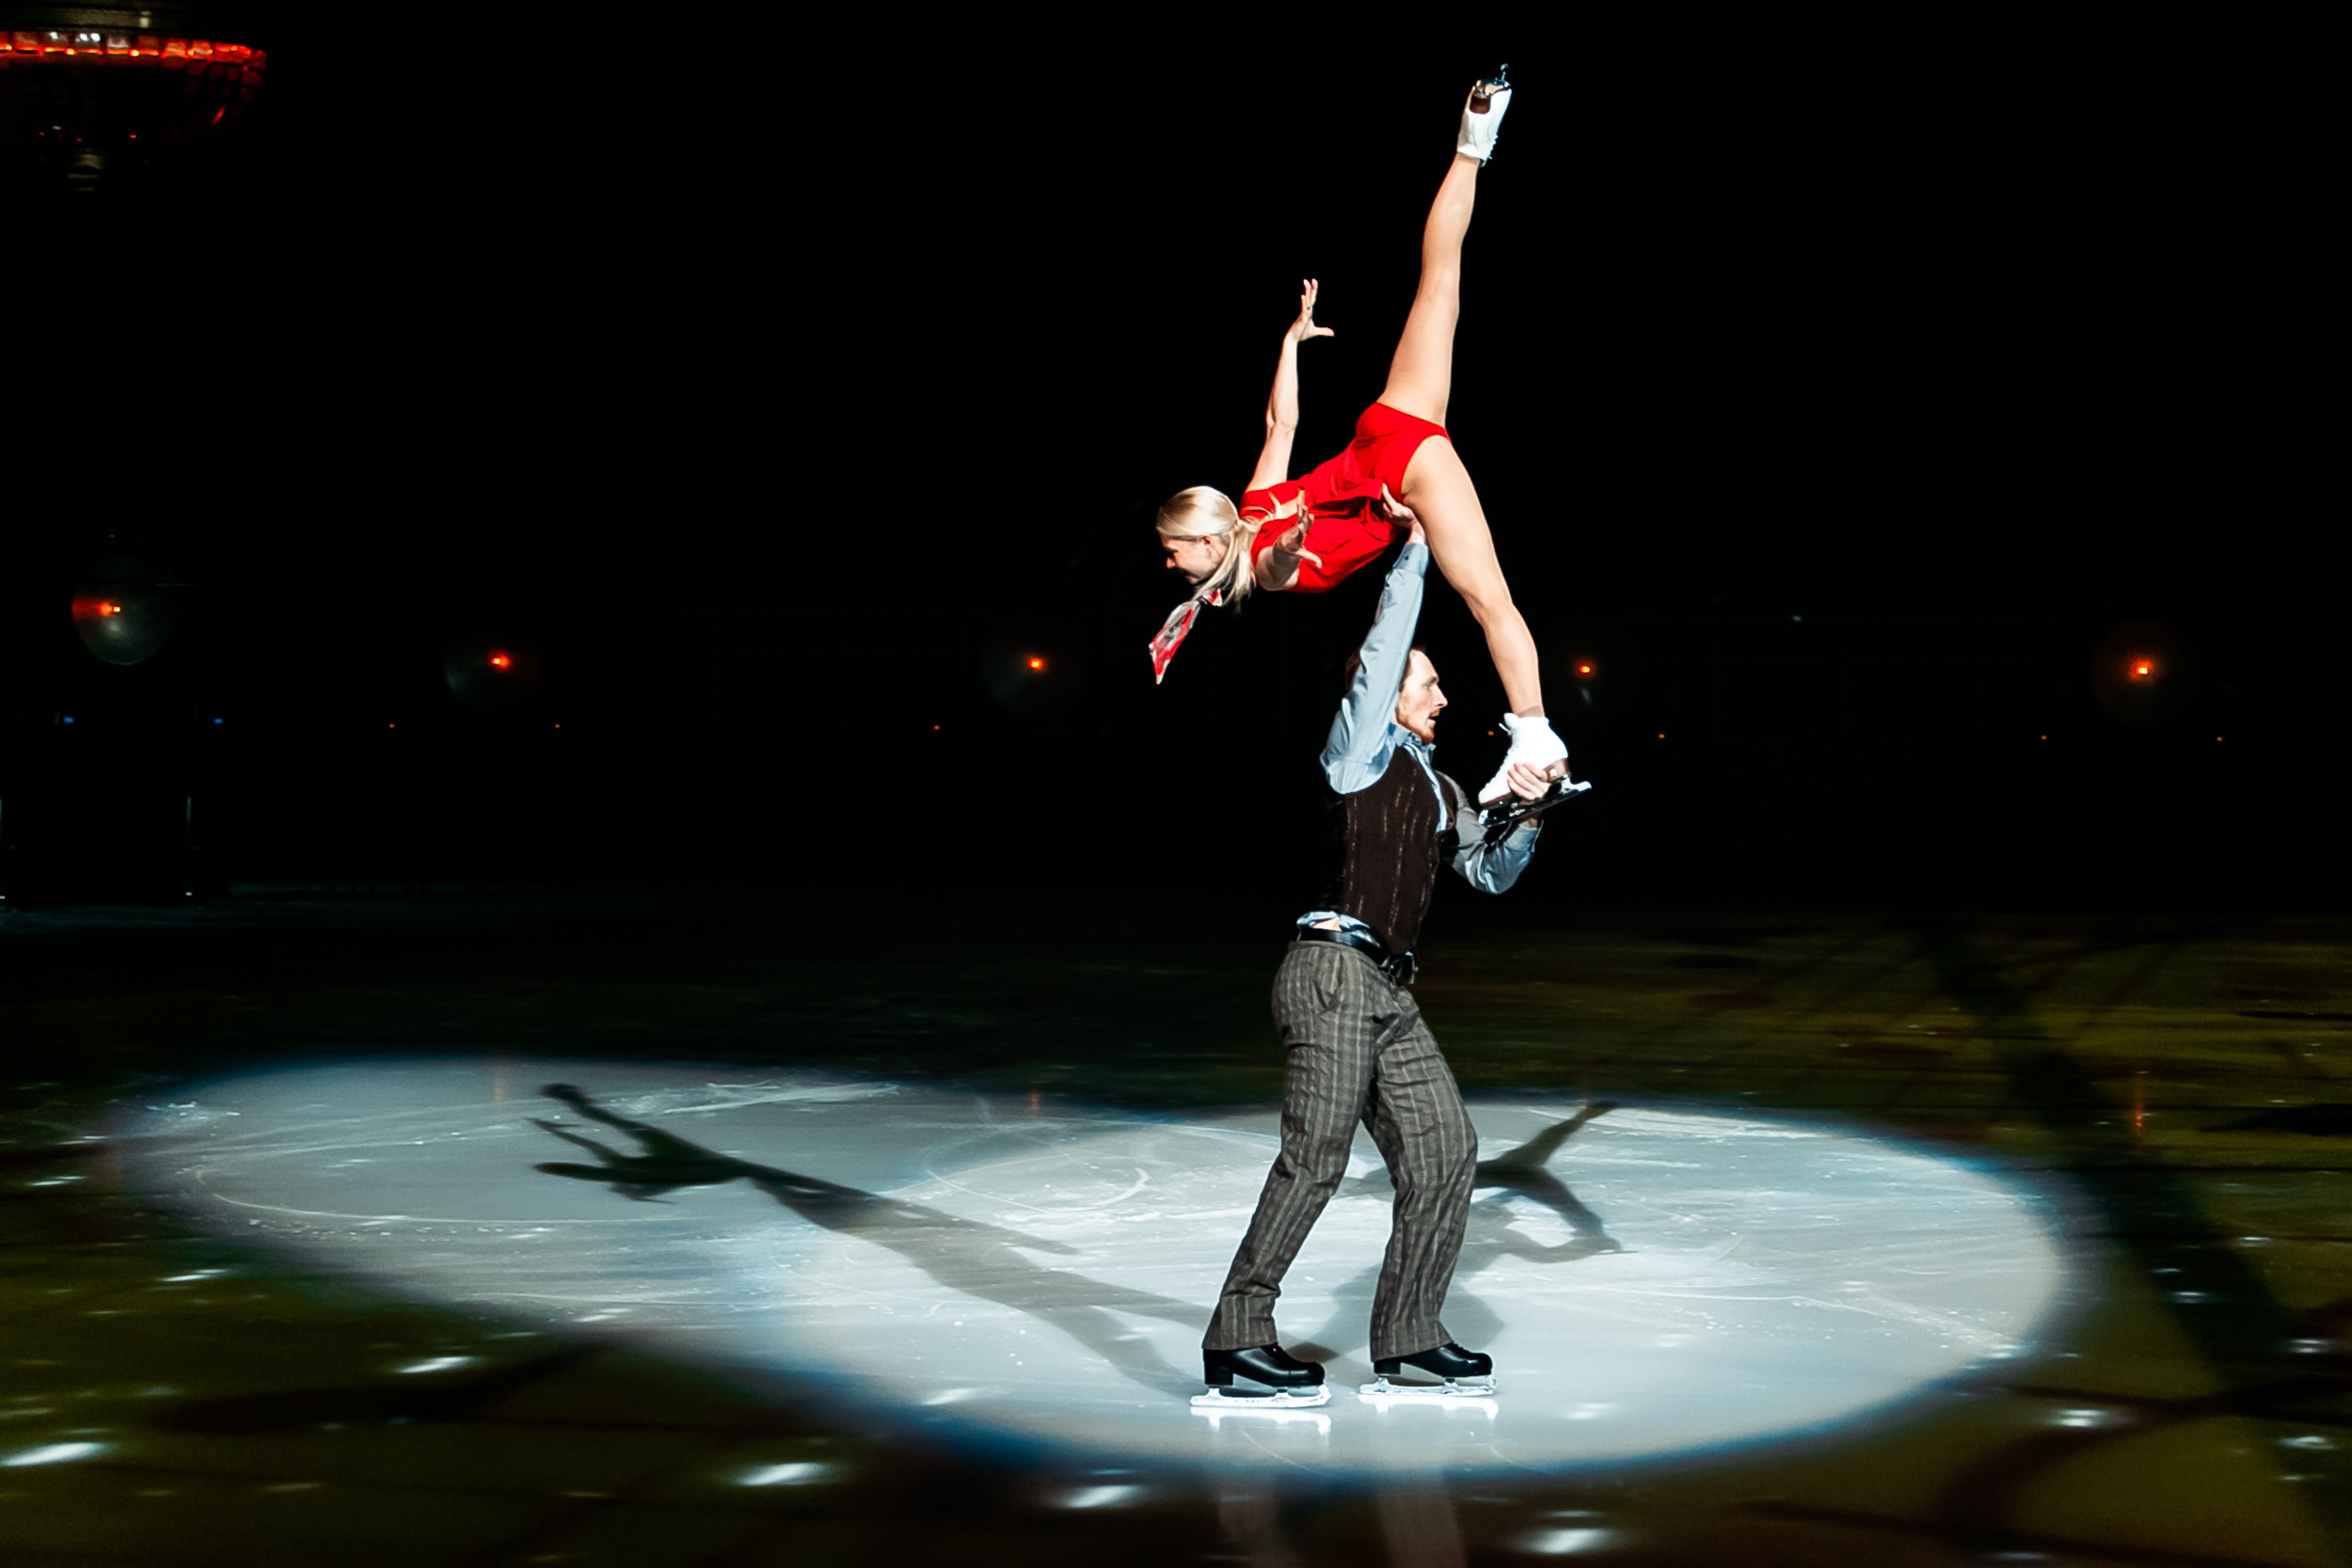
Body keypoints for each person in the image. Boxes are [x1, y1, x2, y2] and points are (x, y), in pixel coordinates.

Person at [1193, 515, 1559, 1408]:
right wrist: (1421, 544)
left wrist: (1531, 810)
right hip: (1329, 972)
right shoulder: (1358, 753)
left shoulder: (1441, 786)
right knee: (1316, 1154)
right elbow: (1389, 637)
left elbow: (1488, 871)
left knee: (1446, 1149)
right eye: (1427, 684)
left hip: (1387, 988)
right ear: (1384, 691)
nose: (1443, 697)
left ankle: (1410, 1338)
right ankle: (1236, 1336)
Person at [1151, 67, 1565, 807]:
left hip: (1403, 471)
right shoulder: (1256, 500)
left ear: (1210, 542)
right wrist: (1290, 343)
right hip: (1382, 428)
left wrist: (1289, 542)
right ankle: (1474, 137)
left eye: (1174, 550)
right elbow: (1281, 424)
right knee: (1438, 281)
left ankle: (1535, 735)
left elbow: (1276, 562)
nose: (1169, 562)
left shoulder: (1263, 561)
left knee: (1490, 599)